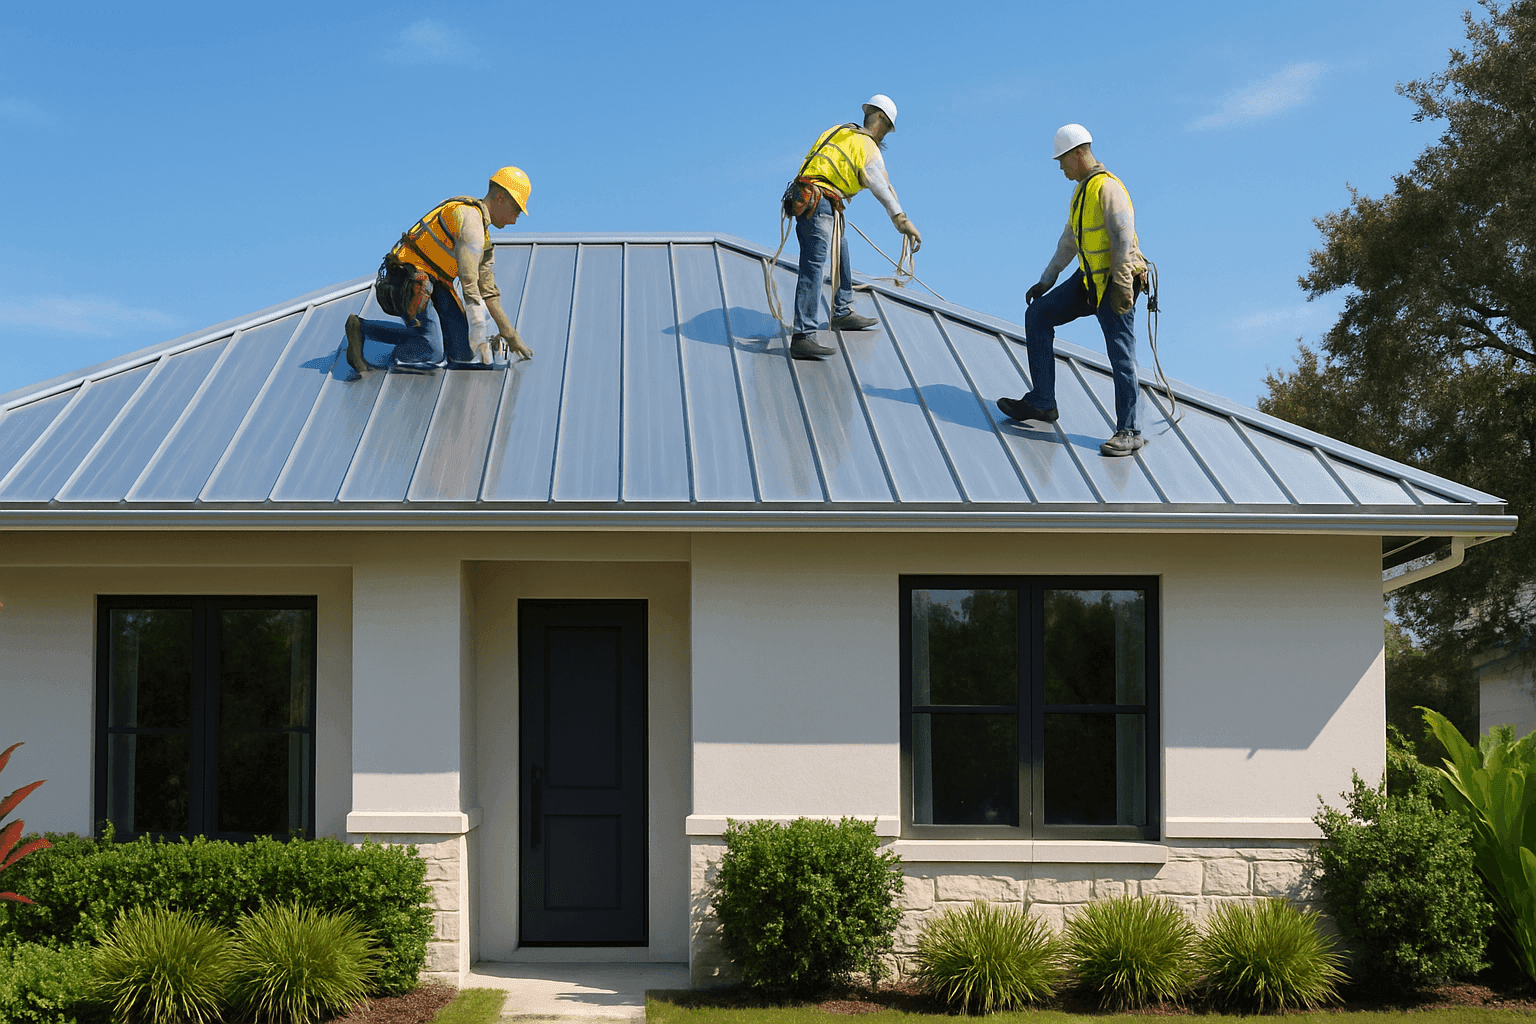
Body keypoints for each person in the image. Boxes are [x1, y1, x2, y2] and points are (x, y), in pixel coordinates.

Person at [997, 125, 1148, 456]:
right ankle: (1042, 401)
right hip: (1089, 278)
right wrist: (1046, 280)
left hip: (1114, 281)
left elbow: (1123, 238)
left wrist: (1123, 286)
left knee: (1121, 356)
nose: (1061, 167)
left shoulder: (1108, 188)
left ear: (1079, 153)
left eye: (1063, 159)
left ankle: (1129, 431)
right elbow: (1069, 241)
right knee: (1038, 314)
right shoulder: (1081, 194)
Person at [344, 167, 535, 375]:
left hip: (435, 285)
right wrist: (482, 336)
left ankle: (425, 337)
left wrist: (509, 334)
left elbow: (488, 292)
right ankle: (363, 330)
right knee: (431, 351)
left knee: (462, 354)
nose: (515, 219)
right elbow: (470, 287)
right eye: (516, 210)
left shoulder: (484, 239)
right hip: (408, 278)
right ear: (500, 197)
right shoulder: (469, 220)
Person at [786, 95, 922, 360]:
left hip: (803, 198)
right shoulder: (867, 146)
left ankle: (842, 310)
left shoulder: (837, 131)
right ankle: (803, 335)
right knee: (813, 265)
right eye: (888, 129)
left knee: (841, 247)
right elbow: (881, 186)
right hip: (820, 201)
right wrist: (902, 221)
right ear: (882, 119)